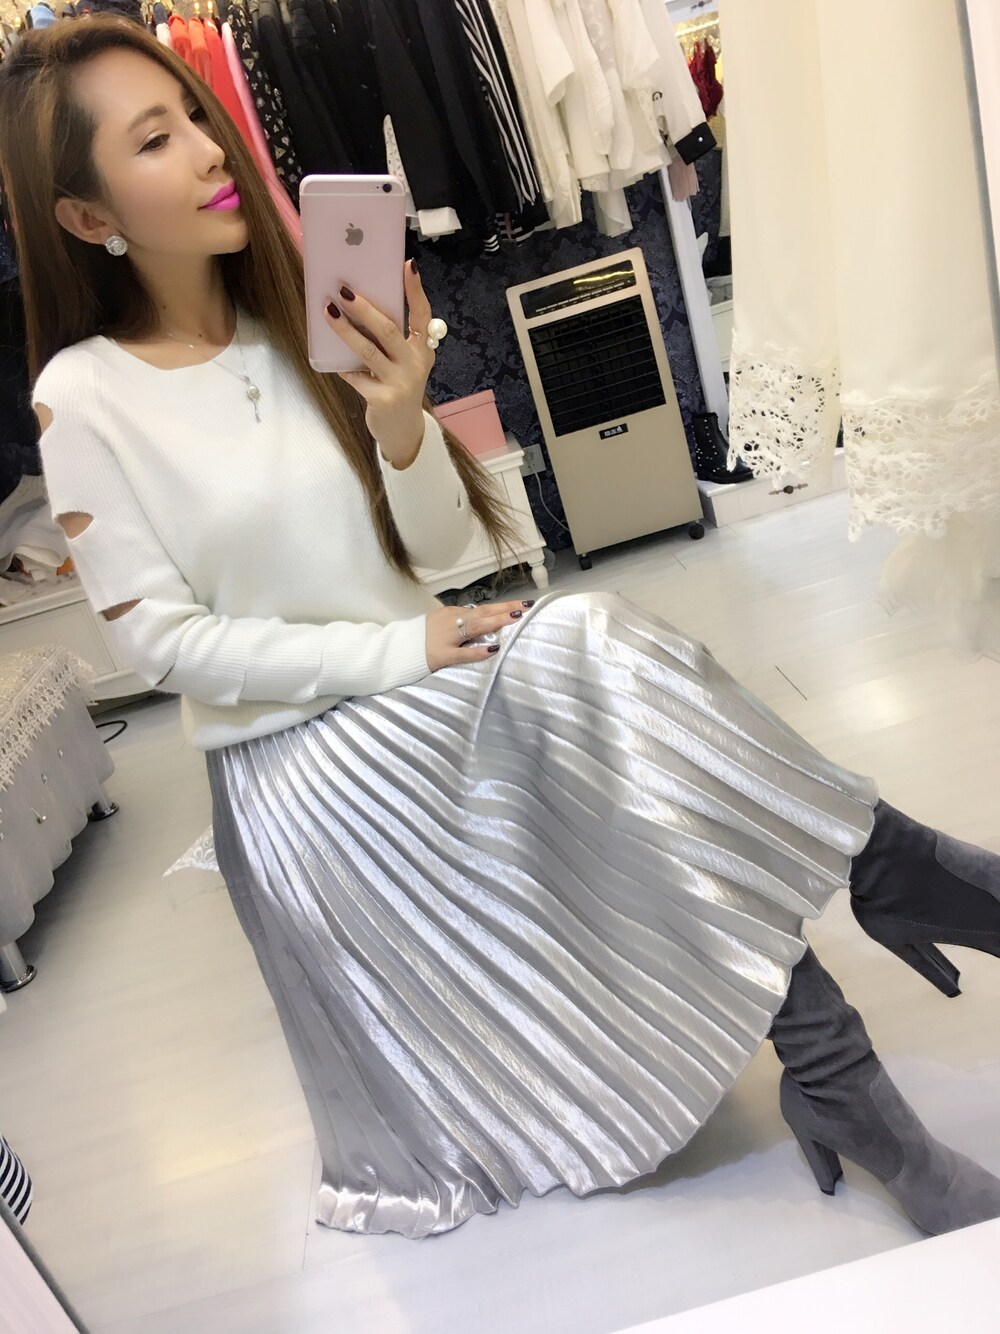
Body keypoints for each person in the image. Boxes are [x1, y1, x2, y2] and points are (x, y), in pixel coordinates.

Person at [0, 18, 998, 1242]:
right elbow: (163, 646)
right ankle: (890, 884)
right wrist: (400, 650)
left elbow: (437, 557)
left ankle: (843, 1054)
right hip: (298, 759)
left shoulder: (303, 320)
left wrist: (402, 418)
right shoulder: (84, 394)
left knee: (603, 679)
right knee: (590, 659)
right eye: (157, 139)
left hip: (426, 678)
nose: (212, 148)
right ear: (87, 215)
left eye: (198, 115)